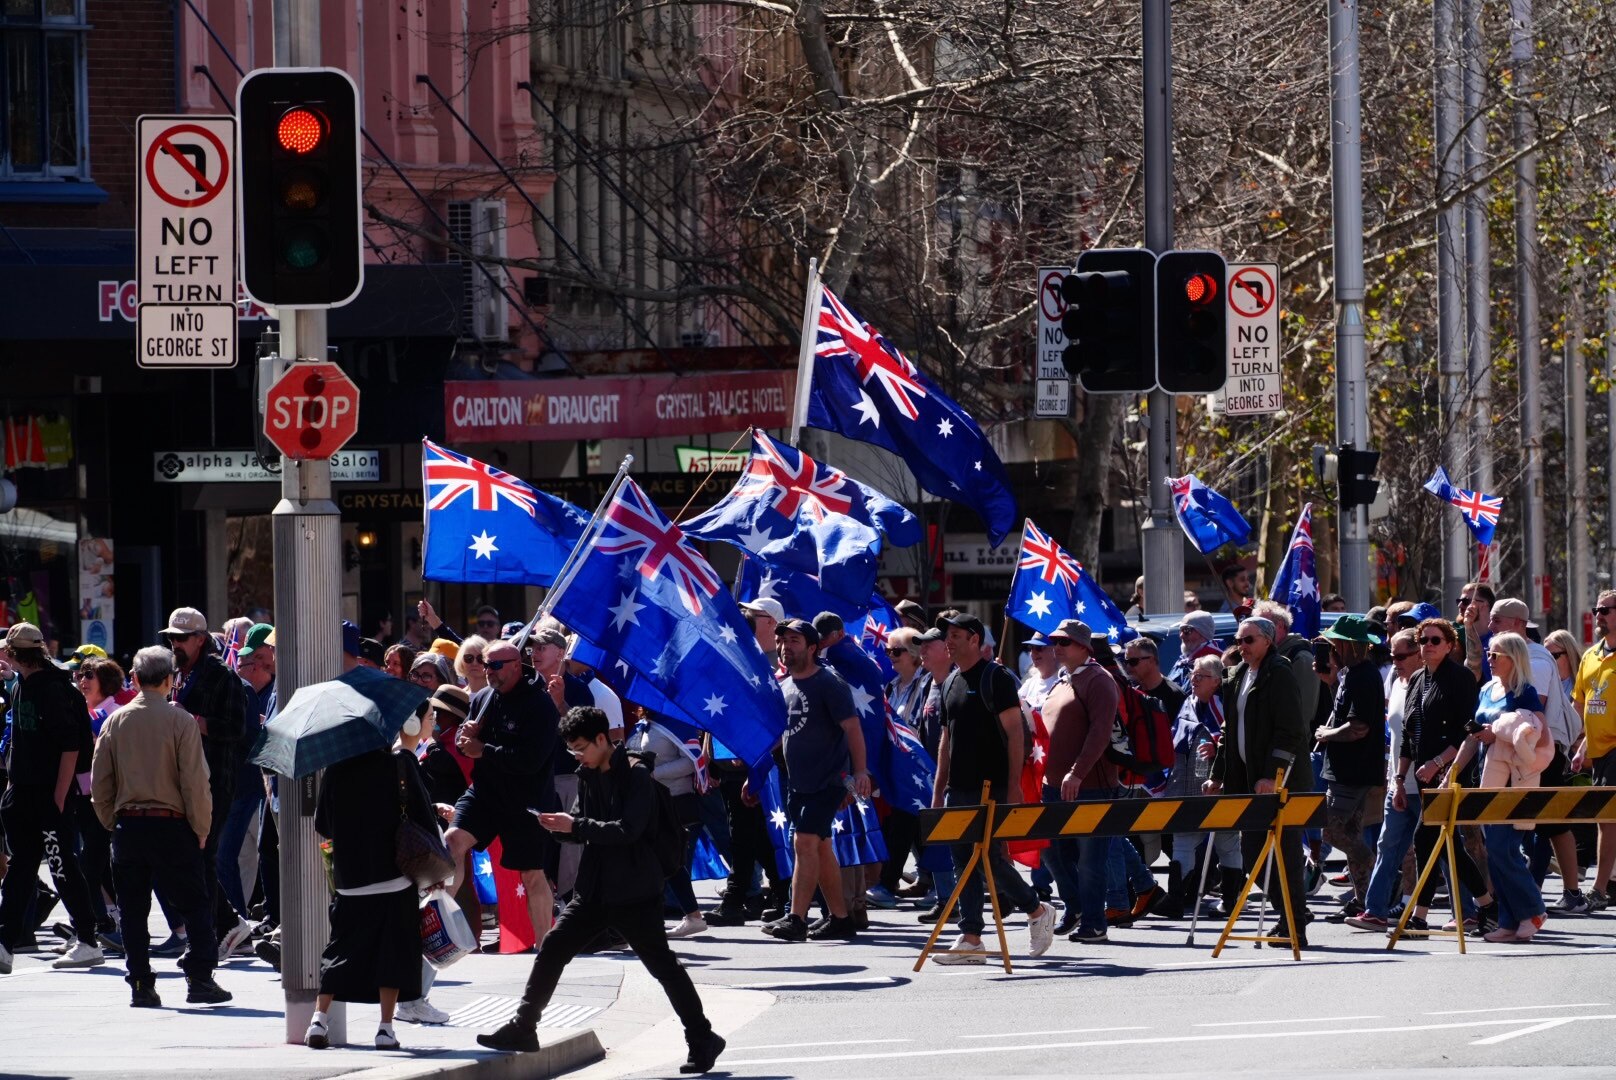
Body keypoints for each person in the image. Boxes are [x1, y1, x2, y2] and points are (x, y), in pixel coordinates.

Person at [477, 707, 725, 1074]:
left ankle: (702, 1037)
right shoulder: (587, 774)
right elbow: (583, 822)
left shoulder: (637, 775)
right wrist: (559, 826)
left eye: (581, 748)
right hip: (593, 891)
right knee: (552, 949)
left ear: (601, 740)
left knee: (664, 967)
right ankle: (523, 1027)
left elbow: (628, 830)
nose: (577, 756)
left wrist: (574, 825)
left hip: (635, 891)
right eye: (572, 750)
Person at [90, 645, 229, 1006]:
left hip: (128, 826)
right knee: (195, 904)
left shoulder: (114, 722)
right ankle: (200, 977)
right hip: (172, 825)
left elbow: (100, 783)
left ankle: (140, 983)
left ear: (133, 679)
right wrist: (201, 828)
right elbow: (195, 782)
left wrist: (111, 821)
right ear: (170, 680)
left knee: (133, 910)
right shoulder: (179, 720)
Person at [928, 614, 1057, 963]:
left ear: (974, 639)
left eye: (955, 635)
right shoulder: (950, 681)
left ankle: (1036, 909)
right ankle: (971, 939)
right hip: (959, 788)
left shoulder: (995, 677)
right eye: (946, 636)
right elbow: (946, 740)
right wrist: (939, 790)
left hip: (991, 787)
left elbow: (1015, 733)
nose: (948, 642)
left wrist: (1013, 785)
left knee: (987, 859)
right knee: (963, 861)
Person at [304, 741, 438, 1050]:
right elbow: (423, 817)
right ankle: (385, 1029)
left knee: (340, 949)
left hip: (350, 879)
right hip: (394, 876)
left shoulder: (336, 769)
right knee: (392, 951)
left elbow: (323, 824)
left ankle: (318, 1021)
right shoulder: (400, 765)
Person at [0, 623, 104, 974]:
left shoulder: (53, 689)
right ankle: (4, 943)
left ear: (15, 654)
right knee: (22, 869)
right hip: (24, 794)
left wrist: (58, 797)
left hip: (48, 796)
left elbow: (70, 745)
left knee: (61, 866)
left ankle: (88, 939)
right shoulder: (22, 685)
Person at [758, 619, 870, 942]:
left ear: (812, 647)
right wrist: (755, 766)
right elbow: (781, 736)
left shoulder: (829, 683)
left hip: (830, 780)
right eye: (782, 641)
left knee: (804, 842)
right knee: (820, 848)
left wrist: (859, 773)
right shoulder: (785, 686)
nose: (785, 647)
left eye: (793, 640)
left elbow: (853, 729)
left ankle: (796, 919)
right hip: (798, 783)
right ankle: (840, 918)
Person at [445, 638, 560, 946]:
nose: (488, 671)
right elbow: (466, 739)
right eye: (485, 665)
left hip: (526, 798)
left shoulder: (540, 705)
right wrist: (463, 738)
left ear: (515, 666)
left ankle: (543, 945)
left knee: (532, 874)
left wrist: (483, 750)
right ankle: (437, 925)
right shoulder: (482, 697)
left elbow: (530, 761)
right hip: (485, 792)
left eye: (495, 666)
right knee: (451, 843)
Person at [1207, 616, 1313, 946]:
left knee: (1288, 855)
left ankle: (1295, 926)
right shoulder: (1237, 674)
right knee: (1252, 852)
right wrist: (1217, 775)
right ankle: (1288, 914)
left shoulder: (1279, 672)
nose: (1243, 646)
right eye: (1239, 640)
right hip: (1247, 781)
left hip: (1280, 782)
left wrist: (1272, 775)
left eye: (1249, 640)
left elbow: (1290, 730)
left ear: (1268, 640)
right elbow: (1228, 731)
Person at [1393, 617, 1496, 934]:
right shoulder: (1416, 681)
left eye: (1435, 640)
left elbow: (1468, 731)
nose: (1427, 646)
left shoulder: (1460, 677)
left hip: (1452, 773)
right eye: (1423, 641)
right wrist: (1400, 780)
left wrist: (1439, 762)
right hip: (1425, 778)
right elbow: (1409, 737)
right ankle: (1487, 907)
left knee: (1425, 839)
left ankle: (1420, 917)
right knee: (1446, 844)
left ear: (1450, 645)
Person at [1447, 632, 1549, 942]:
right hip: (1485, 776)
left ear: (1513, 658)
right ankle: (1508, 922)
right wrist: (1453, 768)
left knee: (1503, 849)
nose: (1490, 660)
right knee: (1494, 852)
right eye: (1489, 654)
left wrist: (1499, 733)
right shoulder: (1487, 689)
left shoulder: (1525, 692)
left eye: (1496, 655)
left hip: (1514, 780)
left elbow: (1538, 734)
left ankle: (1533, 909)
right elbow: (1473, 734)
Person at [1486, 600, 1586, 910]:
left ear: (1517, 623)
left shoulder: (1538, 662)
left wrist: (1495, 726)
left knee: (1546, 822)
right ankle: (1534, 894)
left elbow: (1530, 713)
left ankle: (1556, 894)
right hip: (1515, 750)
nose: (1491, 627)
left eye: (1496, 620)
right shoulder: (1510, 658)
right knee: (1539, 823)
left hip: (1540, 750)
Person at [160, 607, 248, 956]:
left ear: (200, 639)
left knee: (202, 856)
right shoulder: (178, 674)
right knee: (194, 857)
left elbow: (237, 729)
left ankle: (213, 933)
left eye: (181, 638)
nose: (175, 644)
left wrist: (196, 721)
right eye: (171, 638)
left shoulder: (222, 676)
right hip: (186, 779)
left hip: (213, 780)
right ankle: (227, 925)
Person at [1038, 620, 1121, 942]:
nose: (1057, 647)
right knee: (1052, 852)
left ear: (1084, 647)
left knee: (1090, 859)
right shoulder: (1062, 680)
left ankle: (1095, 923)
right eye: (1055, 642)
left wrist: (1078, 772)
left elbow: (1100, 732)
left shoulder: (1099, 680)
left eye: (1064, 642)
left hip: (1091, 786)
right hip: (1053, 785)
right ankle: (1075, 907)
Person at [1349, 629, 1424, 931]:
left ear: (1420, 654)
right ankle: (1376, 910)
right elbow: (1392, 736)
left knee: (1441, 851)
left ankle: (1471, 910)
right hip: (1398, 782)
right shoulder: (1394, 681)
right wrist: (1392, 776)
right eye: (1392, 655)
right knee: (1387, 845)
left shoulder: (1430, 684)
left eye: (1402, 655)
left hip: (1426, 782)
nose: (1396, 661)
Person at [1313, 616, 1386, 920]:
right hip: (1346, 770)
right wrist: (1332, 683)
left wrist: (1325, 734)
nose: (1332, 648)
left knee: (1330, 830)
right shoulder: (1351, 676)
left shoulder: (1363, 677)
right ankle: (1363, 899)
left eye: (1335, 643)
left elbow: (1358, 728)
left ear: (1349, 645)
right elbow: (1346, 714)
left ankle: (1380, 873)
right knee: (1351, 830)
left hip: (1352, 771)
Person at [216, 623, 276, 959]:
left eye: (245, 664)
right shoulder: (250, 692)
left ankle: (239, 925)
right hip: (246, 788)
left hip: (254, 788)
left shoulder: (265, 693)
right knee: (240, 856)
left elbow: (254, 742)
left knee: (236, 856)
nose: (240, 669)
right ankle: (244, 921)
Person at [1166, 653, 1239, 918]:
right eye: (1192, 674)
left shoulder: (1224, 705)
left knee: (1227, 843)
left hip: (1218, 785)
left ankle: (1230, 901)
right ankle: (1175, 898)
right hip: (1186, 784)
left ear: (1217, 682)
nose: (1193, 680)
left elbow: (1234, 738)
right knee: (1182, 841)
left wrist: (1218, 745)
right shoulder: (1189, 702)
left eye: (1201, 676)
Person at [628, 715, 709, 939]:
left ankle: (691, 916)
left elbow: (691, 760)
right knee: (661, 860)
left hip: (673, 801)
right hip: (648, 802)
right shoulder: (643, 725)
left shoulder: (677, 723)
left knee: (668, 860)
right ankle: (688, 916)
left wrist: (653, 773)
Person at [1570, 590, 1616, 912]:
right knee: (1606, 820)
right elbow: (1584, 707)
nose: (1598, 615)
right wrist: (1581, 744)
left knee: (1607, 820)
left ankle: (1599, 889)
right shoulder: (1590, 656)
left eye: (1605, 610)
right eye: (1596, 609)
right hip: (1598, 753)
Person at [1168, 612, 1223, 687]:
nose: (1181, 635)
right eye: (1181, 630)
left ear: (1202, 633)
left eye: (1186, 630)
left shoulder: (1213, 663)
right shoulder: (1184, 660)